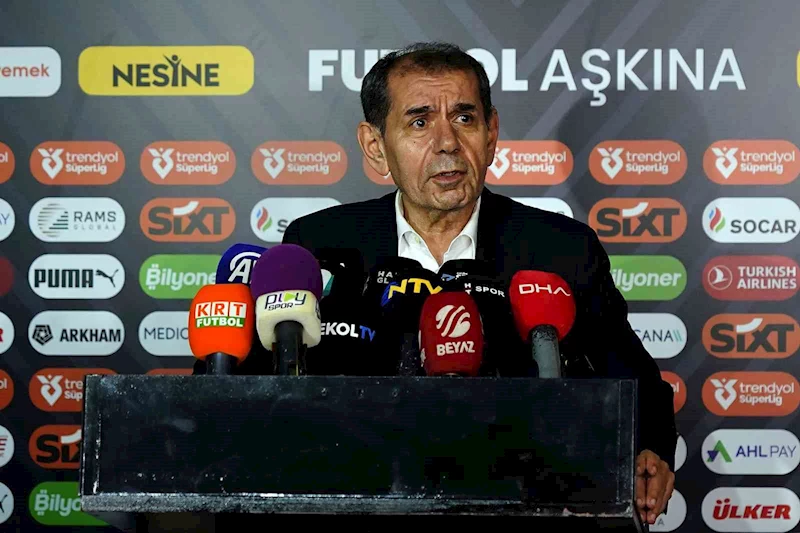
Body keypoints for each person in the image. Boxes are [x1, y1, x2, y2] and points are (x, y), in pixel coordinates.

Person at [282, 41, 677, 525]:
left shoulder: (559, 249)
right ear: (375, 146)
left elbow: (635, 380)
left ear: (491, 134)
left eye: (465, 118)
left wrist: (649, 449)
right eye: (420, 122)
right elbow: (268, 389)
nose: (447, 143)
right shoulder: (320, 244)